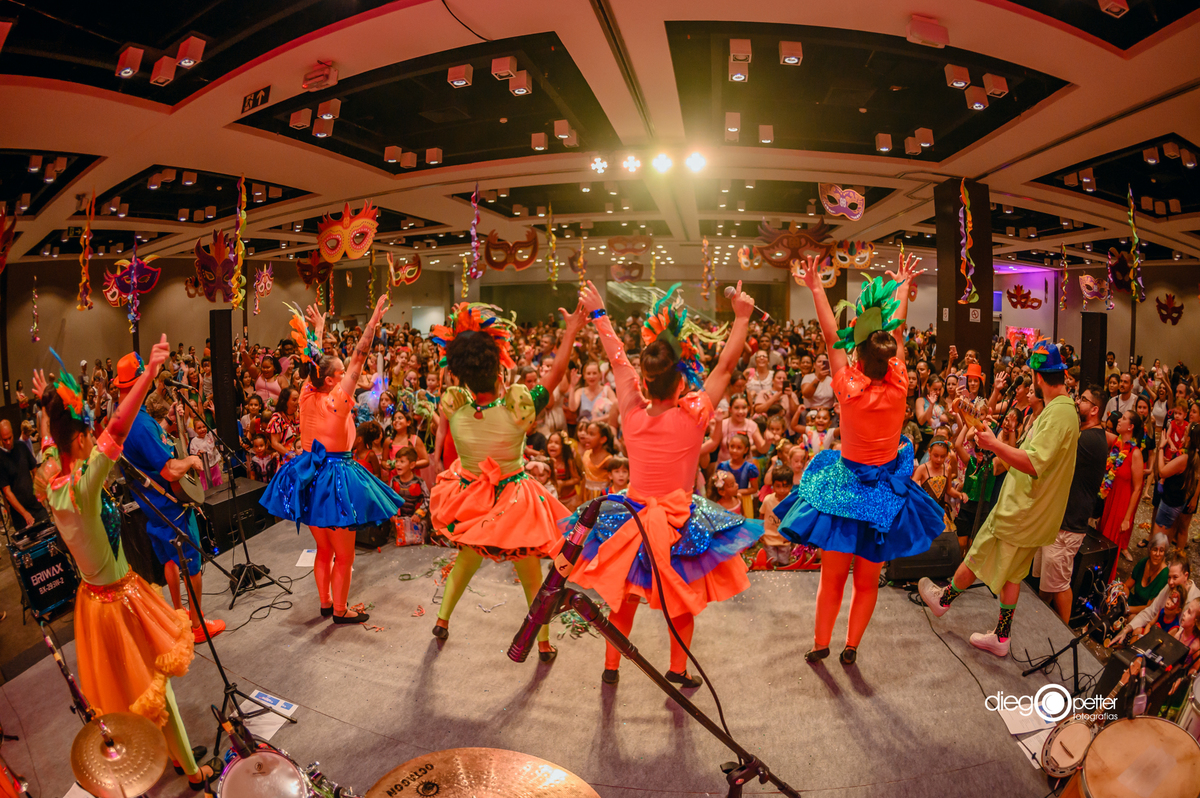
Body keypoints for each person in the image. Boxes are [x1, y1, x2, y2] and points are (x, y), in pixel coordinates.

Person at [35, 337, 212, 786]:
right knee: (157, 685)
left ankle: (160, 752)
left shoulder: (50, 475)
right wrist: (149, 373)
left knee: (128, 687)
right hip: (118, 600)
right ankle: (190, 771)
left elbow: (49, 441)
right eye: (86, 433)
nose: (94, 436)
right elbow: (117, 426)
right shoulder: (83, 485)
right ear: (78, 439)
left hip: (93, 602)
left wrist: (45, 405)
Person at [568, 280, 763, 686]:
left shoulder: (631, 411)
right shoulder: (694, 415)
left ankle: (610, 668)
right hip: (678, 523)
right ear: (682, 379)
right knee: (681, 600)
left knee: (624, 597)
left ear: (646, 378)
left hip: (630, 520)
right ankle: (677, 669)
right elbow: (725, 367)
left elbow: (618, 359)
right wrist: (741, 318)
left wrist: (600, 313)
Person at [778, 254, 942, 665]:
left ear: (858, 358)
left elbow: (830, 332)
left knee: (832, 579)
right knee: (867, 581)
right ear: (889, 361)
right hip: (884, 492)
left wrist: (816, 287)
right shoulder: (901, 381)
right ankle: (851, 647)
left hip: (845, 489)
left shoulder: (847, 385)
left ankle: (820, 643)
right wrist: (902, 286)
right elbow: (899, 329)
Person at [428, 300, 586, 658]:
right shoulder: (518, 409)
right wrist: (572, 329)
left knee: (466, 560)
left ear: (459, 374)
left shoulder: (455, 409)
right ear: (500, 371)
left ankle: (442, 619)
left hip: (470, 498)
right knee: (531, 575)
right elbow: (556, 373)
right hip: (514, 503)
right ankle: (543, 644)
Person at [920, 339, 1080, 657]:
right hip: (1036, 512)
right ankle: (1002, 637)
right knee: (1015, 572)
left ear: (1037, 378)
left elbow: (1034, 463)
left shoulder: (1058, 414)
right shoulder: (1062, 411)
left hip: (1021, 508)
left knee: (978, 553)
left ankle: (943, 600)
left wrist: (994, 445)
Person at [261, 297, 403, 624]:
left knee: (324, 549)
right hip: (335, 477)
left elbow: (316, 360)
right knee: (345, 554)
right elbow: (359, 359)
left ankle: (326, 603)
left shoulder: (308, 392)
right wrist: (372, 325)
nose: (347, 376)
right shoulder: (337, 401)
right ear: (331, 380)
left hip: (308, 474)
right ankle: (340, 610)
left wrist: (319, 329)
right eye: (340, 374)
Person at [115, 352, 223, 644]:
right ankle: (198, 626)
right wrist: (190, 461)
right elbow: (170, 469)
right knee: (192, 565)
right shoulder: (140, 423)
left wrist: (165, 428)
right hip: (170, 505)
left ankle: (178, 616)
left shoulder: (119, 416)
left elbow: (144, 452)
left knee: (169, 561)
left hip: (150, 507)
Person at [1032, 384, 1110, 622]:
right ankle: (1037, 621)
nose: (1077, 402)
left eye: (1083, 400)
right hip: (1059, 519)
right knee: (1046, 583)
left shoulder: (1089, 439)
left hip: (1069, 524)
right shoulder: (1088, 434)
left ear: (1095, 409)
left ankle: (1064, 636)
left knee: (1059, 586)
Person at [1118, 552, 1199, 646]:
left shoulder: (1194, 600)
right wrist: (1126, 629)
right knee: (1134, 624)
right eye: (1169, 577)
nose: (1170, 582)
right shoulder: (1170, 587)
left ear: (1186, 576)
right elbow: (1150, 612)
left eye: (1175, 577)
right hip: (1157, 631)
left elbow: (1181, 636)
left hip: (1171, 642)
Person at [1097, 410, 1144, 569]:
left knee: (1108, 547)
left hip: (1121, 506)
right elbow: (1097, 431)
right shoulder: (1116, 443)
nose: (1119, 420)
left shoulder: (1135, 453)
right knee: (1099, 541)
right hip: (1109, 500)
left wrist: (1127, 519)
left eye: (1123, 419)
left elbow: (1137, 489)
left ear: (1130, 427)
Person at [1152, 422, 1200, 554]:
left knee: (1159, 537)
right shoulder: (1192, 456)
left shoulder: (1185, 458)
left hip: (1170, 502)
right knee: (1169, 530)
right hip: (1178, 500)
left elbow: (1162, 472)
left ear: (1189, 438)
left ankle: (1157, 563)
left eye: (1186, 432)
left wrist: (1161, 448)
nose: (1183, 432)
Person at [0, 419, 48, 532]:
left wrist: (41, 496)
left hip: (36, 505)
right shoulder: (1, 459)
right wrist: (25, 513)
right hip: (20, 515)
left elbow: (35, 471)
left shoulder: (21, 446)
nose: (8, 442)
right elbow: (7, 492)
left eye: (10, 438)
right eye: (4, 439)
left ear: (13, 433)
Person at [1122, 533, 1171, 619]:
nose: (1157, 554)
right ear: (1150, 550)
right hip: (1132, 603)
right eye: (1155, 549)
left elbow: (1149, 607)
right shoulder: (1144, 562)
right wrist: (1123, 600)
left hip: (1146, 612)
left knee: (1131, 618)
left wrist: (1127, 609)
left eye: (1161, 551)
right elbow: (1127, 586)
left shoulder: (1164, 574)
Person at [760, 467, 795, 567]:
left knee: (784, 563)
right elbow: (762, 515)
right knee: (771, 562)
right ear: (773, 486)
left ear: (791, 486)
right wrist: (760, 531)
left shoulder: (793, 501)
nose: (782, 490)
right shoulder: (767, 500)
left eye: (785, 486)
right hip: (769, 538)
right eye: (778, 486)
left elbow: (795, 520)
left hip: (784, 539)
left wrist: (791, 535)